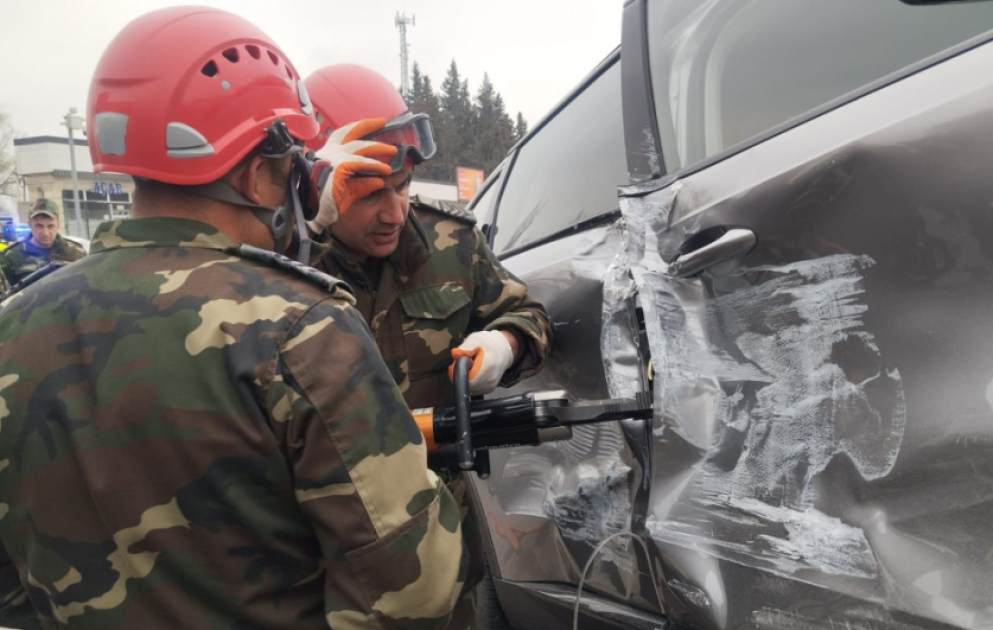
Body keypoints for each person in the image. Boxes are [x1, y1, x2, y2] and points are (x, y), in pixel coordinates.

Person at [0, 8, 464, 630]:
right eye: (293, 167)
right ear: (256, 172)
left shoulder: (12, 327)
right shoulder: (300, 328)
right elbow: (415, 589)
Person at [303, 64, 553, 630]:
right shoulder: (281, 267)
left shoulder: (451, 244)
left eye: (402, 187)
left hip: (441, 540)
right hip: (325, 560)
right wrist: (299, 241)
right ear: (316, 183)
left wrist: (505, 345)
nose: (394, 213)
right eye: (368, 194)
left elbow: (528, 313)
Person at [0, 199, 86, 286]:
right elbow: (6, 296)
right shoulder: (9, 257)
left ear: (58, 224)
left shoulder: (77, 252)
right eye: (39, 226)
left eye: (50, 226)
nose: (45, 233)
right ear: (29, 224)